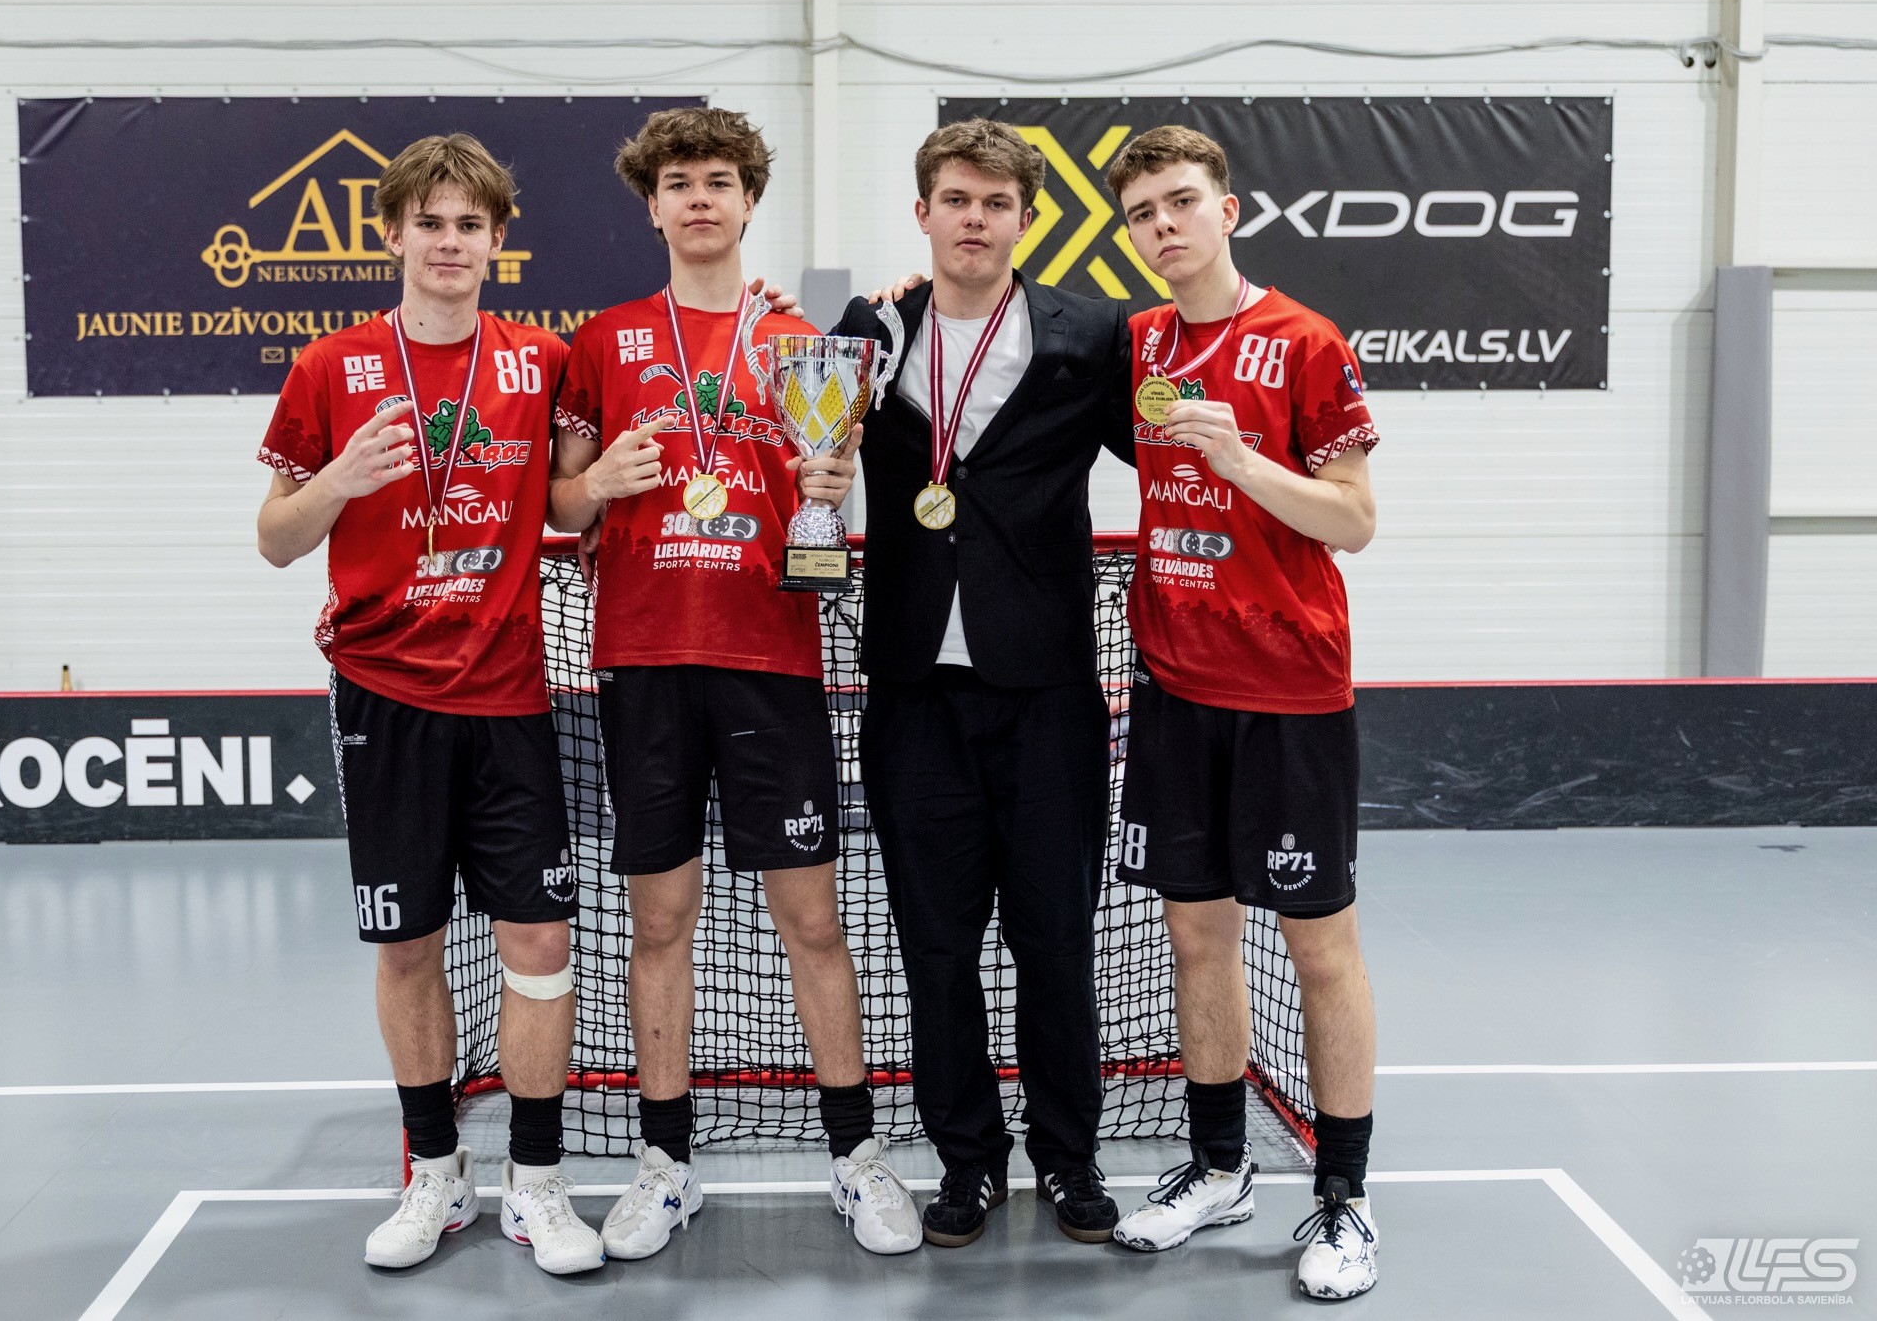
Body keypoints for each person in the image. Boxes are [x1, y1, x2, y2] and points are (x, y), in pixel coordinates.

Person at [549, 106, 920, 1260]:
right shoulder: (603, 341)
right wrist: (598, 482)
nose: (699, 198)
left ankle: (854, 1155)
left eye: (718, 179)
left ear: (749, 199)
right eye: (678, 182)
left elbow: (829, 496)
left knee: (812, 919)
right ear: (651, 205)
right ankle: (665, 1164)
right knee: (658, 919)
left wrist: (832, 479)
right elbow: (560, 500)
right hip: (645, 663)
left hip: (771, 660)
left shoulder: (797, 338)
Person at [255, 134, 607, 1275]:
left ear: (497, 240)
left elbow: (572, 498)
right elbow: (275, 539)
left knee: (539, 940)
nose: (449, 242)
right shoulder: (330, 366)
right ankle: (436, 1172)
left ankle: (537, 1183)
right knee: (407, 944)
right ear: (394, 234)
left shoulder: (541, 360)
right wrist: (337, 480)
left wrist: (594, 490)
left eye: (469, 225)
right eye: (430, 223)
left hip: (509, 695)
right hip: (384, 695)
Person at [831, 119, 1136, 1249]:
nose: (974, 218)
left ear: (1025, 218)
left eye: (996, 202)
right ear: (922, 212)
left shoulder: (1091, 333)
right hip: (914, 688)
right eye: (955, 198)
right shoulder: (866, 331)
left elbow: (1163, 451)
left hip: (1047, 688)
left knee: (1055, 939)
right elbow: (804, 449)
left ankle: (1068, 1155)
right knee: (936, 945)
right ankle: (966, 1160)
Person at [1102, 124, 1383, 1300]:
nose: (1161, 224)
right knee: (1195, 936)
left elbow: (1353, 519)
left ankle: (1344, 1195)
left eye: (1180, 201)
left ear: (1226, 210)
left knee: (1317, 946)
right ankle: (1218, 1166)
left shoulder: (1304, 340)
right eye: (1141, 212)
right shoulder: (1135, 343)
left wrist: (1241, 463)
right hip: (1175, 687)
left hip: (1288, 691)